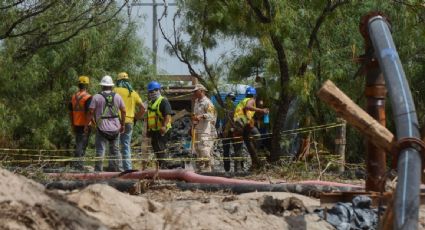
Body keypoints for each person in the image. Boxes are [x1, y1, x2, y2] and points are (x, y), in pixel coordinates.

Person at [85, 75, 126, 172]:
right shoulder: (117, 96)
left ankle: (98, 171)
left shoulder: (96, 97)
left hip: (102, 128)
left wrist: (87, 125)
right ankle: (119, 171)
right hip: (115, 128)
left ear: (102, 86)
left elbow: (90, 112)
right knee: (115, 151)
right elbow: (124, 111)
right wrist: (123, 124)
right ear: (111, 86)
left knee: (100, 150)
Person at [114, 72, 145, 171]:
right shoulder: (133, 93)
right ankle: (128, 168)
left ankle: (118, 168)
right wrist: (136, 118)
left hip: (117, 122)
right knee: (126, 145)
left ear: (118, 81)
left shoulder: (114, 91)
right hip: (129, 122)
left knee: (116, 145)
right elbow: (143, 108)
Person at [233, 86, 269, 170]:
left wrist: (262, 112)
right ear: (254, 95)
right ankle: (256, 154)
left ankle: (237, 169)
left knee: (240, 145)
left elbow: (247, 110)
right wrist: (261, 110)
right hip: (243, 121)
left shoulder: (243, 100)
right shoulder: (251, 100)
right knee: (257, 136)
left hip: (237, 122)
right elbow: (248, 107)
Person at [146, 81, 172, 169]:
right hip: (154, 131)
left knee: (161, 150)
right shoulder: (150, 103)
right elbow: (149, 118)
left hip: (162, 131)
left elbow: (167, 115)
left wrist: (164, 126)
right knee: (157, 150)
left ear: (158, 90)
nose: (152, 93)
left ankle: (164, 168)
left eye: (154, 91)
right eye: (150, 92)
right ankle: (161, 167)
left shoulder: (163, 101)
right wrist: (148, 130)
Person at [68, 75, 92, 170]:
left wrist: (72, 124)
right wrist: (87, 125)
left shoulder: (74, 97)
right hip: (84, 124)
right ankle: (78, 165)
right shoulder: (88, 97)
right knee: (82, 145)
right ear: (87, 85)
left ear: (78, 85)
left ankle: (77, 164)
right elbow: (89, 112)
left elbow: (70, 112)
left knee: (78, 143)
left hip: (76, 123)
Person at [192, 84, 217, 172]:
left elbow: (211, 115)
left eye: (196, 91)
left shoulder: (207, 102)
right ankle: (200, 169)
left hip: (206, 129)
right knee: (197, 149)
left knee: (204, 149)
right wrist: (192, 128)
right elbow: (194, 116)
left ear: (202, 91)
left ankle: (208, 170)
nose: (194, 92)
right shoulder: (196, 102)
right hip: (197, 129)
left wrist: (201, 116)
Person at [217, 92, 237, 173]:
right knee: (226, 151)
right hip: (225, 132)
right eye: (230, 99)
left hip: (234, 131)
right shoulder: (222, 108)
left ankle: (237, 168)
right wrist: (218, 129)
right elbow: (218, 120)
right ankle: (227, 169)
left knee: (237, 150)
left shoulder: (235, 107)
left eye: (232, 99)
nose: (231, 101)